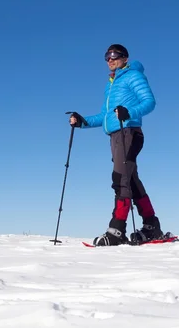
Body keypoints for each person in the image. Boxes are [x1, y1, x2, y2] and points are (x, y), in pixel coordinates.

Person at [69, 44, 163, 246]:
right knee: (130, 179)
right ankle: (151, 225)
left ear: (125, 58)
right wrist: (82, 121)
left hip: (129, 132)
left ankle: (117, 229)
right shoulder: (110, 84)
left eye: (114, 56)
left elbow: (150, 102)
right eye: (107, 57)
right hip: (116, 135)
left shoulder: (133, 76)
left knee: (120, 178)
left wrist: (130, 112)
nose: (110, 60)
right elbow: (104, 116)